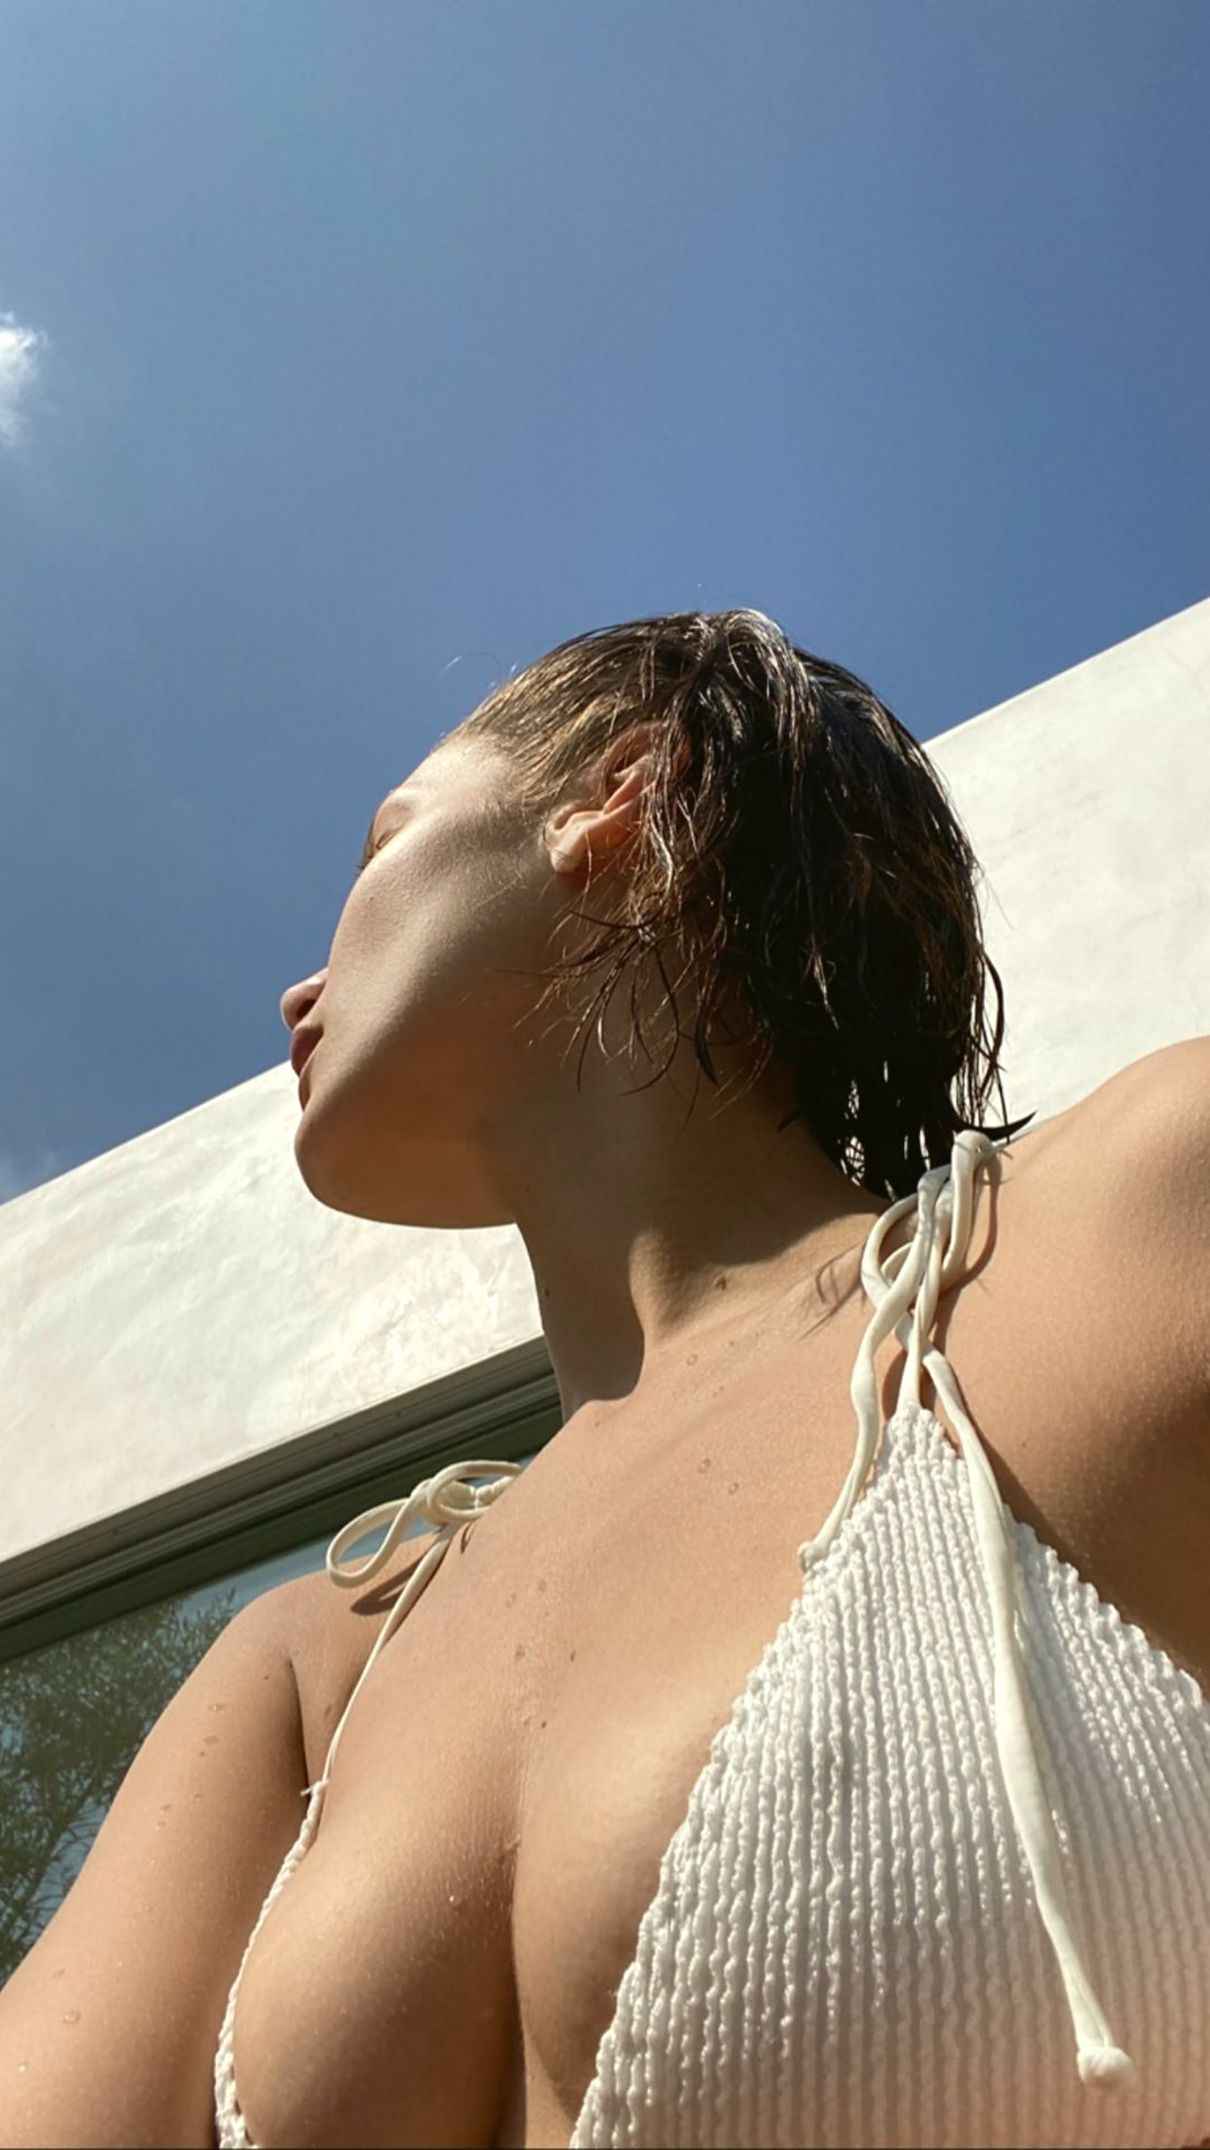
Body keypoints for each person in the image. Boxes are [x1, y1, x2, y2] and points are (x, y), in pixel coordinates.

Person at [6, 610, 1209, 2149]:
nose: (296, 992)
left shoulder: (1123, 1231)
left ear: (616, 796)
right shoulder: (317, 1663)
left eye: (383, 842)